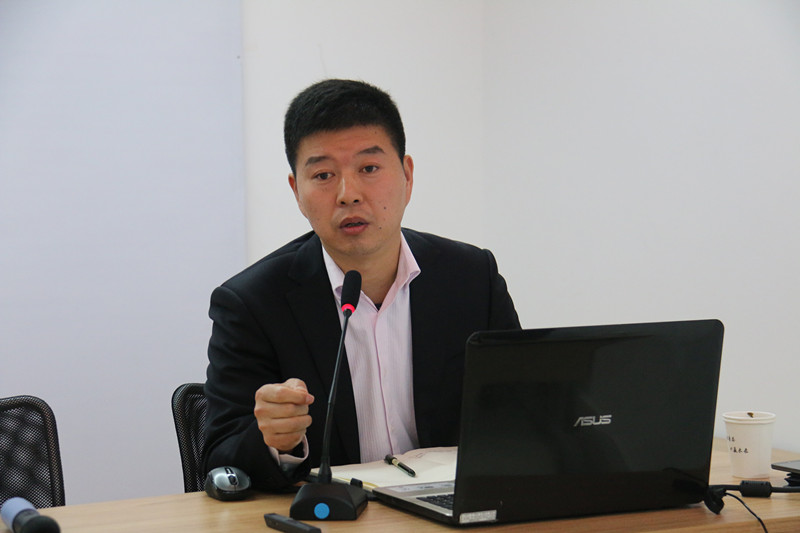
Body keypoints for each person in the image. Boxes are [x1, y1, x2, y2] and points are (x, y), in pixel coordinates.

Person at [203, 79, 520, 491]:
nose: (348, 194)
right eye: (323, 175)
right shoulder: (252, 303)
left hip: (447, 508)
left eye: (369, 169)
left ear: (407, 175)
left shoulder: (471, 278)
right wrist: (275, 441)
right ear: (296, 190)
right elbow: (219, 456)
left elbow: (523, 411)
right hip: (332, 514)